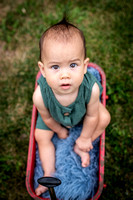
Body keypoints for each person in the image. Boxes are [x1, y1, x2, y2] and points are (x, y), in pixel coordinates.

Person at [33, 18, 111, 196]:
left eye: (73, 65)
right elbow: (46, 117)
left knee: (104, 117)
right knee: (41, 135)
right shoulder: (40, 96)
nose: (65, 75)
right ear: (43, 70)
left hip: (82, 115)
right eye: (55, 67)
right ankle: (48, 173)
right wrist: (59, 131)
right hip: (55, 118)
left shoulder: (91, 89)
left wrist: (84, 138)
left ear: (85, 67)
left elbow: (92, 116)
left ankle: (80, 146)